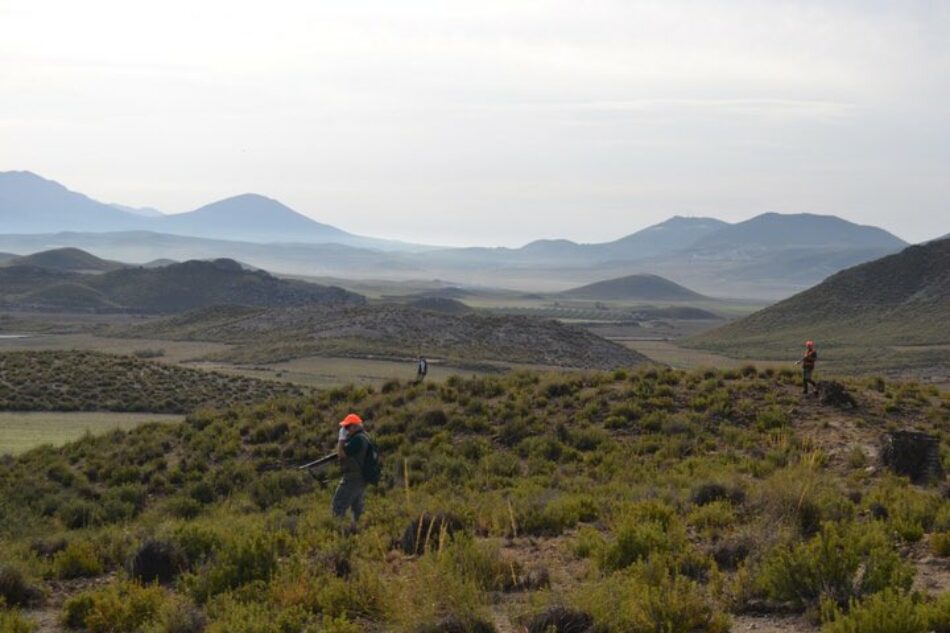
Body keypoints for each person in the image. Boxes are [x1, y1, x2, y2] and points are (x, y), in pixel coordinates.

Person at [331, 413, 372, 531]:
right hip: (360, 479)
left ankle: (337, 533)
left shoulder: (358, 440)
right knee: (357, 509)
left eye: (347, 427)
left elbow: (341, 454)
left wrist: (341, 439)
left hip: (353, 478)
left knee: (338, 505)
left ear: (354, 426)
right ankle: (359, 533)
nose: (346, 430)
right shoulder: (364, 437)